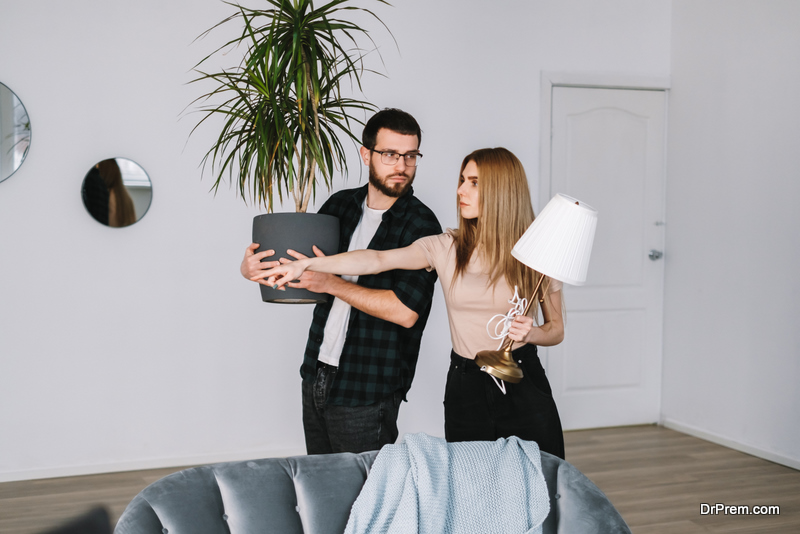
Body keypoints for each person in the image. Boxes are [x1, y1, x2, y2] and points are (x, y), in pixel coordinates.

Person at [257, 147, 567, 459]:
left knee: (539, 482)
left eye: (474, 182)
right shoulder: (446, 247)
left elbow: (556, 330)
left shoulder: (537, 254)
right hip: (466, 383)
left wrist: (531, 333)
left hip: (522, 378)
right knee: (471, 488)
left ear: (502, 190)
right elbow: (376, 260)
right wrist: (308, 265)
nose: (460, 190)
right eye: (462, 180)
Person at [240, 108, 442, 455]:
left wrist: (332, 284)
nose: (402, 165)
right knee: (322, 487)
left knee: (366, 494)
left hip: (369, 385)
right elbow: (301, 271)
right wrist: (251, 270)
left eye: (411, 156)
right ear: (366, 154)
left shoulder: (421, 225)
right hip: (317, 372)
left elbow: (406, 312)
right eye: (390, 154)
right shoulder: (340, 207)